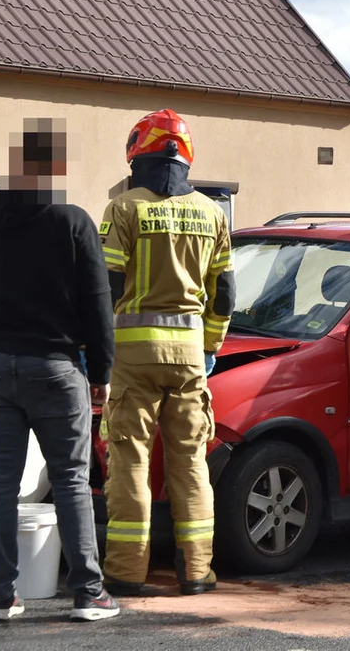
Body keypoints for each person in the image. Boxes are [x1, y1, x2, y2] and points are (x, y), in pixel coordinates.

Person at [0, 118, 119, 621]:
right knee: (70, 478)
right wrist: (101, 371)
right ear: (53, 170)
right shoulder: (72, 222)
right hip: (55, 367)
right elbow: (97, 303)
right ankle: (89, 593)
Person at [99, 109, 234, 596]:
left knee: (130, 460)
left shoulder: (123, 208)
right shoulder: (213, 213)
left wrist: (98, 349)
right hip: (190, 357)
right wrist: (211, 347)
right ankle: (197, 570)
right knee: (190, 461)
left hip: (133, 357)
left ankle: (126, 570)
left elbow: (106, 287)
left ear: (139, 152)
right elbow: (224, 296)